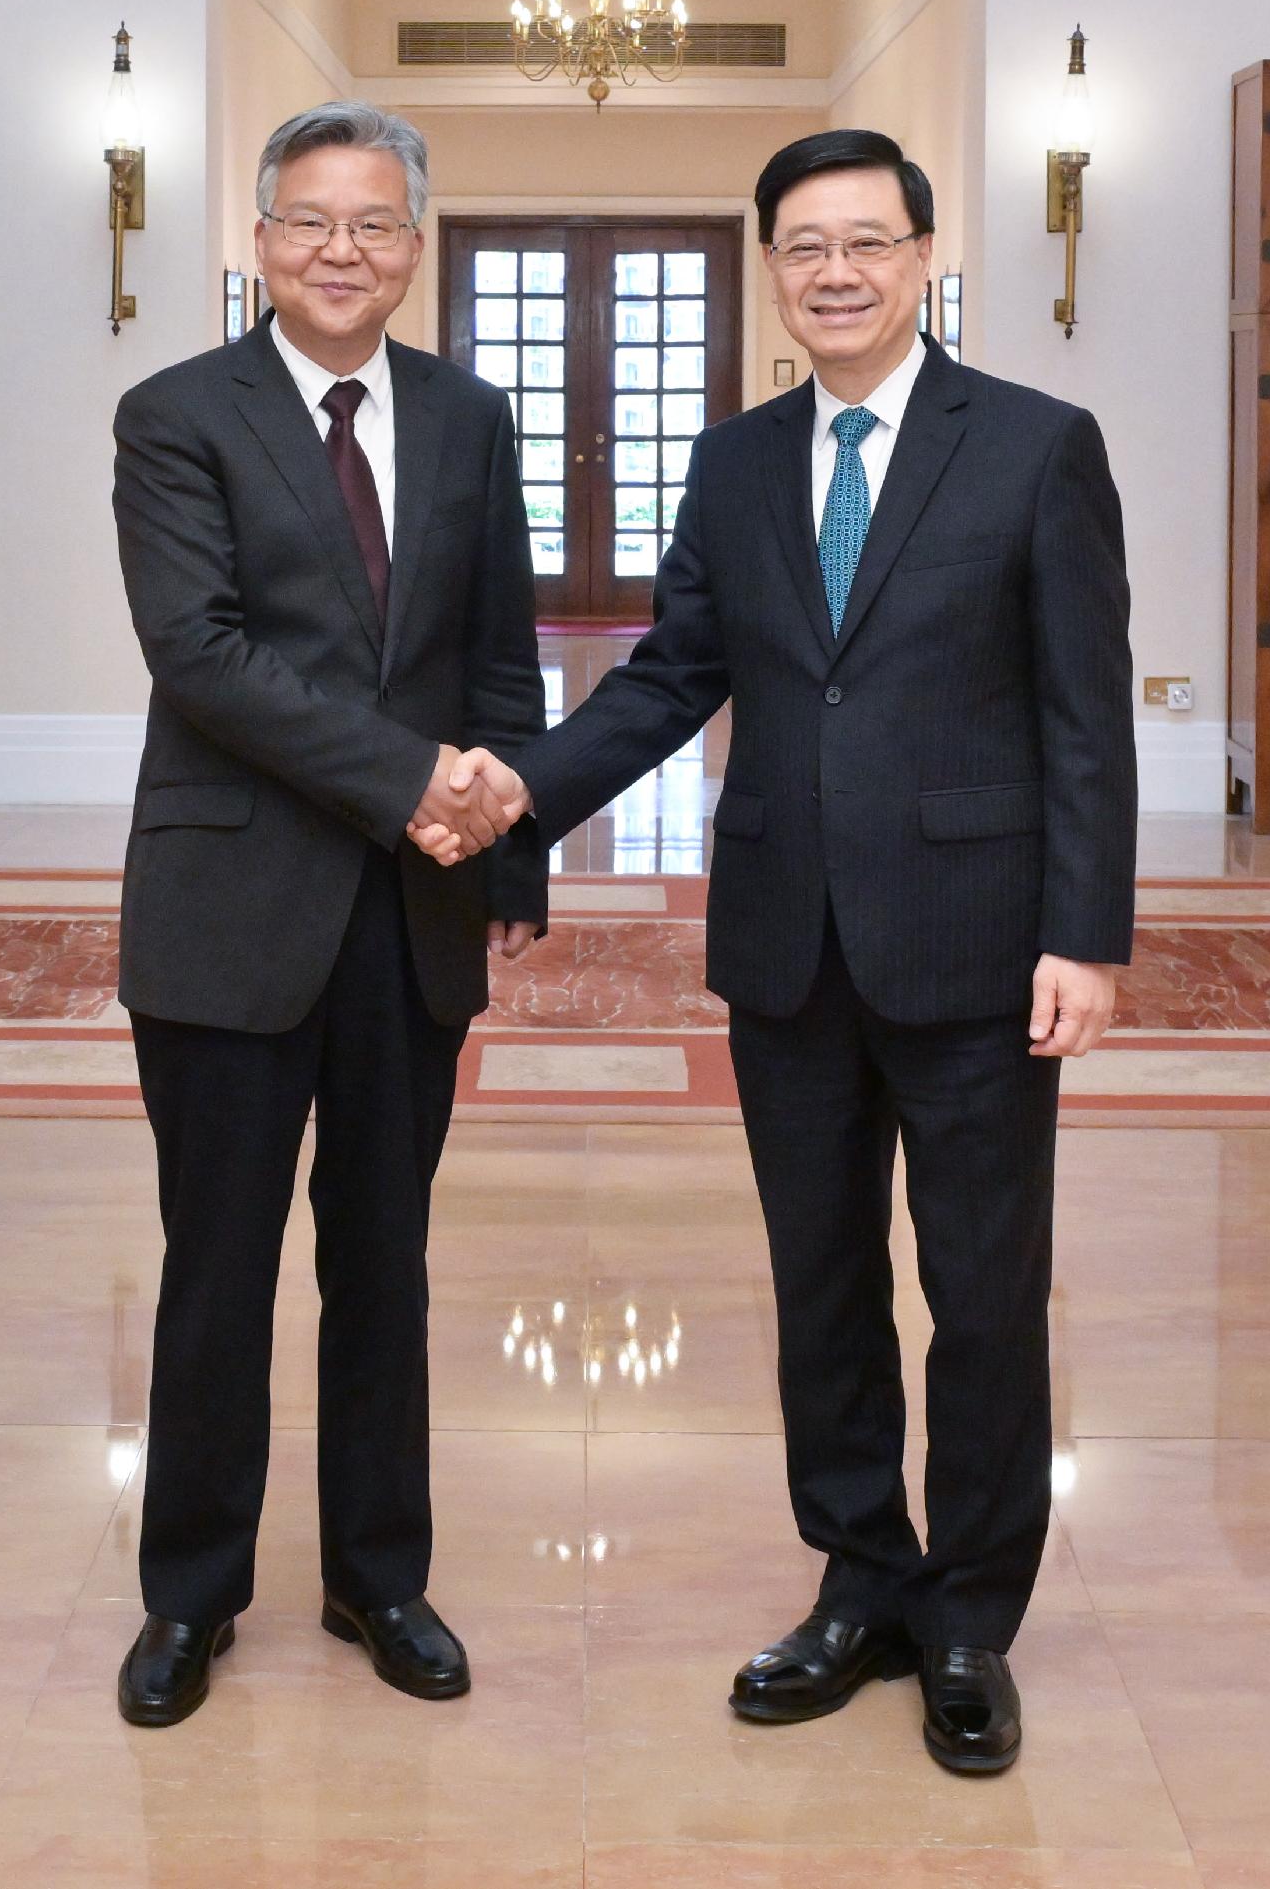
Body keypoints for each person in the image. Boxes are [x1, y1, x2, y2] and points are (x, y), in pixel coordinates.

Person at [474, 126, 1136, 1777]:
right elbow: (665, 678)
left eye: (867, 242)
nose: (836, 271)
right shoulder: (740, 461)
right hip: (786, 949)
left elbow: (1083, 716)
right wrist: (516, 799)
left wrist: (1087, 934)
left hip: (984, 951)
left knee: (982, 1295)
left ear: (922, 256)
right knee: (820, 1285)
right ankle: (857, 1576)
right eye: (803, 247)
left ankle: (971, 1615)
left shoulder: (1039, 448)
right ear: (774, 271)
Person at [104, 100, 547, 1728]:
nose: (341, 250)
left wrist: (510, 851)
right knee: (215, 1264)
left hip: (415, 912)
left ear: (414, 244)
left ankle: (381, 1574)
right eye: (310, 220)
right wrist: (411, 773)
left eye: (373, 223)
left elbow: (502, 654)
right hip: (230, 901)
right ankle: (190, 1597)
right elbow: (202, 656)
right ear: (259, 238)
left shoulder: (471, 415)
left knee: (386, 1259)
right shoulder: (174, 415)